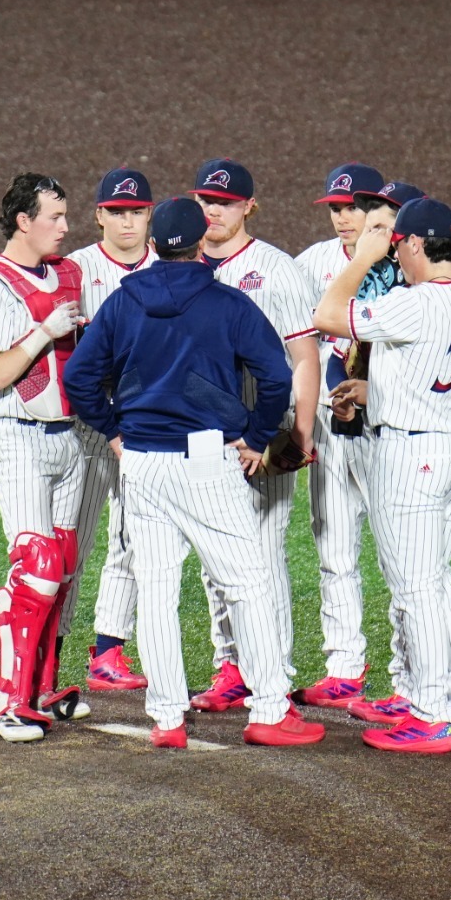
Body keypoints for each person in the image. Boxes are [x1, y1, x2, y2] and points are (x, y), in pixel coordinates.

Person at [63, 197, 324, 749]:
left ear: (154, 244)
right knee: (248, 584)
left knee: (156, 591)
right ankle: (269, 710)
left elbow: (80, 378)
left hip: (142, 465)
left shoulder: (123, 300)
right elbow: (276, 377)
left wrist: (113, 432)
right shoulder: (227, 302)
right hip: (207, 463)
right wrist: (256, 436)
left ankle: (166, 719)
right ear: (200, 242)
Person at [314, 197, 451, 754]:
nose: (394, 255)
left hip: (412, 458)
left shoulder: (411, 304)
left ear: (414, 242)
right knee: (437, 581)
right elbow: (435, 360)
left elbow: (328, 314)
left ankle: (430, 714)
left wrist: (361, 258)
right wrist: (381, 390)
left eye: (396, 246)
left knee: (415, 589)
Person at [185, 159, 322, 713]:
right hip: (200, 434)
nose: (213, 211)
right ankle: (231, 667)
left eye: (225, 202)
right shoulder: (181, 263)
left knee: (262, 555)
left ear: (248, 206)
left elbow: (305, 357)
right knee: (213, 557)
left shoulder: (276, 269)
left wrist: (299, 435)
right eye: (205, 201)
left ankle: (273, 674)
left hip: (263, 432)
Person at [0, 173, 90, 743]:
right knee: (36, 566)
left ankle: (41, 689)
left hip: (69, 438)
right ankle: (6, 701)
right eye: (54, 217)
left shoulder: (68, 274)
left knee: (63, 564)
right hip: (18, 439)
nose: (65, 227)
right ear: (23, 221)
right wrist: (42, 333)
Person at [293, 169, 424, 708]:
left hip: (386, 429)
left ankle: (408, 680)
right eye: (336, 208)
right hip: (331, 426)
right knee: (334, 552)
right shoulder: (310, 263)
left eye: (353, 208)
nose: (343, 218)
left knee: (402, 560)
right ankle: (344, 667)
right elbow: (299, 340)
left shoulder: (410, 271)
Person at [63, 167, 155, 693]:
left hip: (144, 420)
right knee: (71, 542)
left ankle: (108, 652)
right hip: (89, 422)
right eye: (116, 212)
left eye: (136, 211)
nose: (127, 222)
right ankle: (49, 650)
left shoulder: (167, 266)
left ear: (149, 214)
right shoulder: (75, 269)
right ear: (99, 215)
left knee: (134, 535)